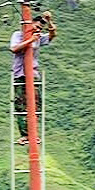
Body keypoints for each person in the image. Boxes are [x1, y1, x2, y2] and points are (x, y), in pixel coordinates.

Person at [9, 11, 57, 145]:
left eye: (40, 29)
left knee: (35, 105)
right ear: (29, 25)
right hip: (20, 74)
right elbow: (14, 49)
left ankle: (34, 133)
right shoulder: (18, 35)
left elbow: (52, 36)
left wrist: (49, 21)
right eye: (36, 27)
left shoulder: (38, 37)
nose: (38, 30)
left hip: (33, 74)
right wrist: (31, 40)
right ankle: (25, 135)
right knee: (21, 105)